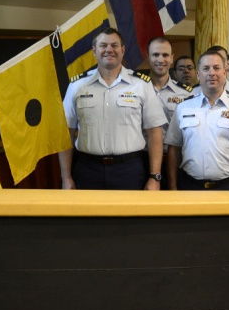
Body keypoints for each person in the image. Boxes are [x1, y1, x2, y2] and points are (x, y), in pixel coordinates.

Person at [60, 28, 167, 190]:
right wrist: (66, 177)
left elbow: (155, 133)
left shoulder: (142, 85)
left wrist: (155, 176)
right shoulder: (77, 87)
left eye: (114, 45)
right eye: (103, 45)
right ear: (94, 51)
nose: (109, 50)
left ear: (122, 50)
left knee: (129, 215)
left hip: (130, 170)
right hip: (87, 170)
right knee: (89, 216)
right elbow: (65, 134)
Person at [165, 51, 229, 190]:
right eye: (206, 69)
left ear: (225, 72)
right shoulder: (183, 107)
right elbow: (174, 149)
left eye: (216, 68)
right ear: (198, 75)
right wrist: (172, 187)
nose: (211, 73)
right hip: (190, 186)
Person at [146, 37, 193, 124]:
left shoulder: (186, 94)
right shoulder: (137, 89)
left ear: (171, 58)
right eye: (155, 55)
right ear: (148, 57)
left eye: (165, 55)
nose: (160, 60)